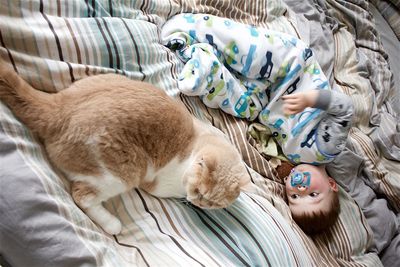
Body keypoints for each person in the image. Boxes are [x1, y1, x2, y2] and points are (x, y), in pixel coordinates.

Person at [161, 13, 354, 235]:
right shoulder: (325, 151)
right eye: (313, 195)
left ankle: (203, 67)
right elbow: (345, 109)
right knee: (246, 49)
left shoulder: (290, 162)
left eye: (294, 197)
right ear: (332, 185)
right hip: (291, 67)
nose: (301, 188)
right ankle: (194, 28)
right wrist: (312, 99)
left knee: (239, 104)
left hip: (266, 102)